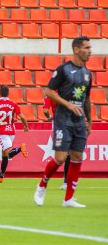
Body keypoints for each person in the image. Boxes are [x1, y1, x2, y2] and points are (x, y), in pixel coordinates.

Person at [34, 36, 92, 208]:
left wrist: (90, 121)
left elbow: (87, 99)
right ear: (76, 50)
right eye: (86, 48)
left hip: (79, 122)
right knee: (60, 158)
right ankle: (42, 184)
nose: (90, 51)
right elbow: (49, 91)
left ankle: (68, 199)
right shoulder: (63, 70)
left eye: (90, 48)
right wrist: (68, 104)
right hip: (63, 120)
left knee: (77, 157)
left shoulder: (88, 74)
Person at [0, 85, 29, 183]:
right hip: (11, 130)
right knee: (5, 154)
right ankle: (1, 176)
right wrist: (26, 126)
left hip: (2, 131)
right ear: (8, 93)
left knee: (8, 154)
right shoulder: (14, 104)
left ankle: (21, 148)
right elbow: (22, 117)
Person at [43, 94, 71, 190]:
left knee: (60, 154)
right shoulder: (67, 90)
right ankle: (66, 182)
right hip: (70, 122)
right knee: (68, 153)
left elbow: (45, 110)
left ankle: (45, 181)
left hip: (58, 125)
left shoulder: (50, 94)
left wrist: (50, 117)